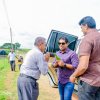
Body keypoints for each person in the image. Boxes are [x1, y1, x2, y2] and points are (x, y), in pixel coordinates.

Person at [70, 16, 100, 100]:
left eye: (81, 27)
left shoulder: (87, 39)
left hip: (88, 82)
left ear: (86, 25)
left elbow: (83, 66)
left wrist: (73, 75)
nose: (81, 29)